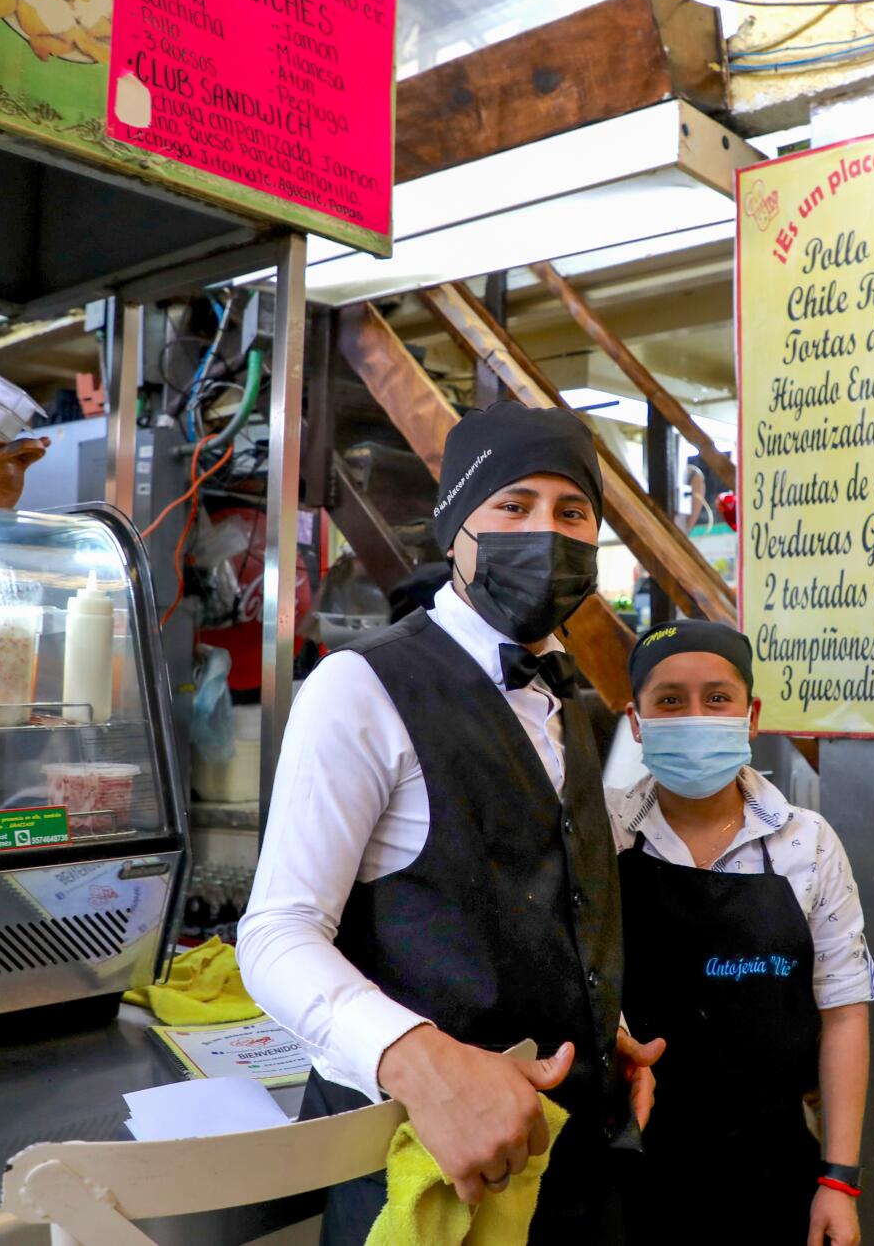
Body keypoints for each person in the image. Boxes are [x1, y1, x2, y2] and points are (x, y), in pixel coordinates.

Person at [237, 403, 657, 1245]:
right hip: (418, 1165)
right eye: (513, 505)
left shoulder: (571, 703)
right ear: (455, 528)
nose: (546, 531)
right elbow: (277, 934)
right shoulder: (361, 688)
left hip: (571, 1159)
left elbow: (542, 899)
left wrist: (598, 1025)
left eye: (573, 512)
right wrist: (413, 1056)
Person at [610, 620, 874, 1246]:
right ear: (637, 720)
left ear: (750, 715)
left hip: (773, 1166)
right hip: (625, 1165)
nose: (695, 716)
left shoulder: (807, 842)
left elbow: (844, 1015)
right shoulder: (601, 834)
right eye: (670, 700)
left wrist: (839, 1180)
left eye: (717, 699)